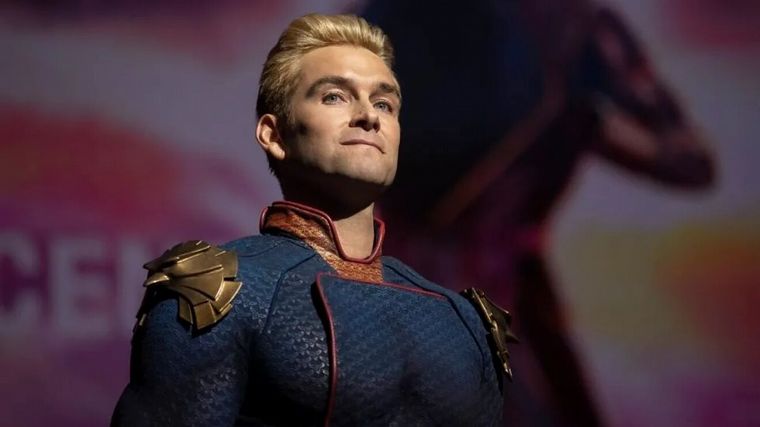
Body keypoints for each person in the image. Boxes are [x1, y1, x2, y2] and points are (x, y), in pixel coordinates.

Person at [111, 13, 516, 427]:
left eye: (384, 104)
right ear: (274, 135)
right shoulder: (217, 292)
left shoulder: (466, 322)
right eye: (335, 97)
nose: (369, 116)